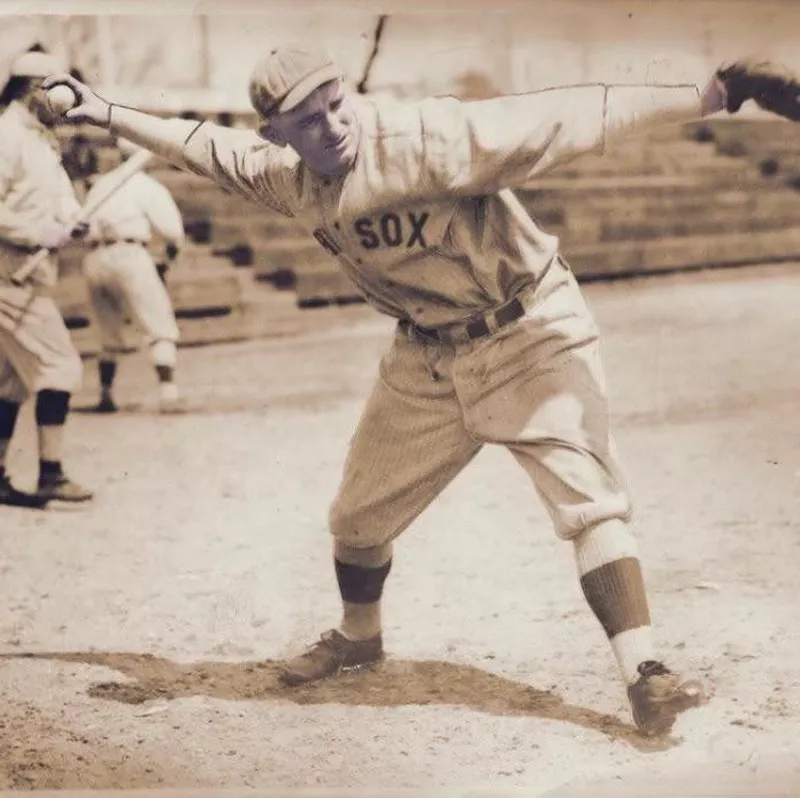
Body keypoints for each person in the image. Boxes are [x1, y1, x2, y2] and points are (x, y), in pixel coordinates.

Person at [43, 47, 793, 736]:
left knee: (588, 500)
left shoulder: (428, 137)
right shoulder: (285, 180)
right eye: (307, 120)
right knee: (358, 516)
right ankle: (358, 638)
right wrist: (102, 110)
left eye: (336, 103)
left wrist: (719, 93)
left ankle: (646, 676)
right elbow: (200, 145)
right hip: (426, 352)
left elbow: (569, 115)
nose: (332, 126)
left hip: (529, 327)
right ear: (277, 133)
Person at [0, 50, 94, 508]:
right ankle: (51, 475)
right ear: (30, 89)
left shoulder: (40, 140)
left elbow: (59, 202)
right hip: (7, 277)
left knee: (11, 381)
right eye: (53, 92)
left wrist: (75, 221)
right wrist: (40, 232)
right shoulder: (4, 135)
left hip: (32, 275)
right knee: (61, 367)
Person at [81, 137, 186, 413]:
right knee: (159, 324)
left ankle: (105, 395)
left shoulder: (102, 184)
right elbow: (173, 232)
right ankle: (169, 394)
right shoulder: (146, 185)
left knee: (107, 331)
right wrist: (168, 259)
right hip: (128, 253)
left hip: (93, 257)